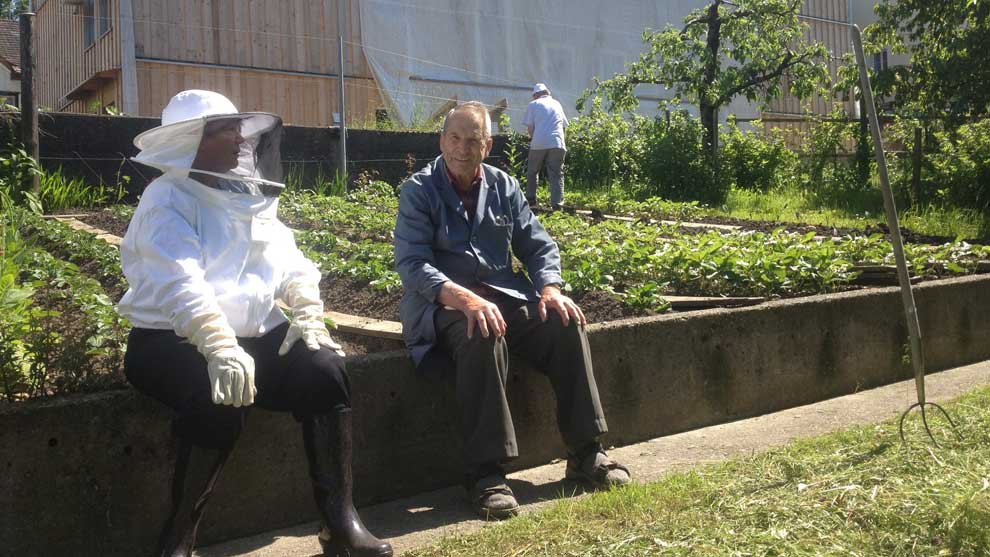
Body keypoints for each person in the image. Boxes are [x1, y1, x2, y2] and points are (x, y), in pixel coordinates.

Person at [118, 90, 392, 557]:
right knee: (217, 397)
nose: (241, 139)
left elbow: (289, 261)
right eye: (227, 130)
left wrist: (307, 310)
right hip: (169, 339)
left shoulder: (247, 193)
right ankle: (179, 538)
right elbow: (180, 280)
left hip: (253, 337)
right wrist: (218, 344)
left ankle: (340, 522)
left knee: (324, 370)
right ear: (191, 141)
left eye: (239, 128)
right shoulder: (166, 198)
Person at [393, 101, 630, 520]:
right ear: (442, 140)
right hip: (442, 304)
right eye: (454, 138)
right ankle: (486, 474)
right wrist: (466, 299)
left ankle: (585, 452)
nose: (462, 148)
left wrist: (551, 289)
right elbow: (413, 264)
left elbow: (537, 245)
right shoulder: (419, 190)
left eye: (473, 140)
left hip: (503, 297)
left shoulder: (504, 186)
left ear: (487, 146)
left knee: (565, 323)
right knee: (481, 330)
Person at [522, 83, 569, 210]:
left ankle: (531, 201)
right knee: (556, 174)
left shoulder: (533, 104)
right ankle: (557, 204)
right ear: (547, 92)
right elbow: (563, 126)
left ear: (536, 95)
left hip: (539, 142)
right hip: (558, 142)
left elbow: (530, 128)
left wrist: (535, 139)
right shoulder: (557, 104)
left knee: (532, 171)